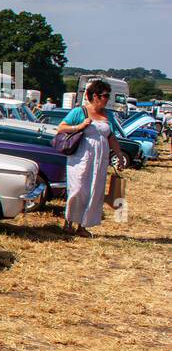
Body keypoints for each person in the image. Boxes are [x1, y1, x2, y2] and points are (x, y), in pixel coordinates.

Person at [55, 80, 122, 237]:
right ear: (95, 96)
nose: (107, 99)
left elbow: (111, 137)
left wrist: (118, 154)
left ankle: (82, 225)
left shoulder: (107, 115)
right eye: (105, 95)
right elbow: (61, 128)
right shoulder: (80, 112)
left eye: (108, 95)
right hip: (81, 157)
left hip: (100, 159)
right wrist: (79, 127)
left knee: (94, 190)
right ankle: (68, 221)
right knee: (78, 189)